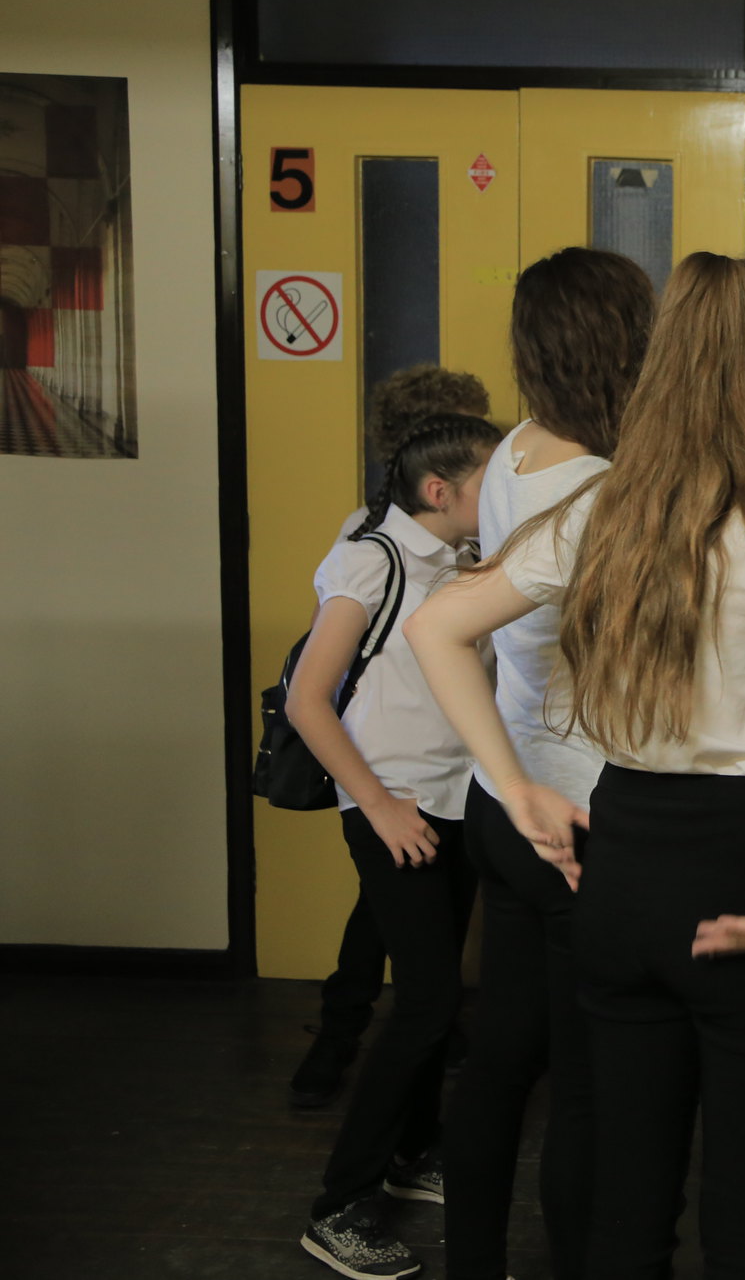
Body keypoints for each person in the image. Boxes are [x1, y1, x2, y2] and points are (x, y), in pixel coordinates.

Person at [408, 251, 745, 1279]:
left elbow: (437, 628)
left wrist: (517, 788)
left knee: (627, 1216)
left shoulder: (603, 513)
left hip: (625, 862)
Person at [439, 248, 652, 1280]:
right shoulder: (606, 490)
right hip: (576, 816)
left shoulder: (515, 452)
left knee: (500, 1056)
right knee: (584, 1085)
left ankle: (473, 1262)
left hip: (503, 794)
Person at [290, 412, 504, 1279]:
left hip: (454, 801)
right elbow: (309, 698)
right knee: (426, 999)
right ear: (439, 490)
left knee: (435, 995)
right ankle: (338, 1206)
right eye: (493, 478)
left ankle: (415, 1152)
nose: (508, 490)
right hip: (394, 805)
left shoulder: (463, 561)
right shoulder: (371, 559)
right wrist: (377, 805)